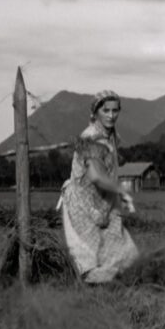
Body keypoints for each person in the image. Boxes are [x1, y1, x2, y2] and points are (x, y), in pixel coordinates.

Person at [58, 90, 138, 283]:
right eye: (106, 110)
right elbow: (96, 176)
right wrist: (122, 191)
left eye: (115, 110)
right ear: (95, 112)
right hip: (82, 206)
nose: (111, 115)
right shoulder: (90, 137)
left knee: (127, 260)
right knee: (90, 267)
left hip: (105, 203)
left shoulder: (109, 135)